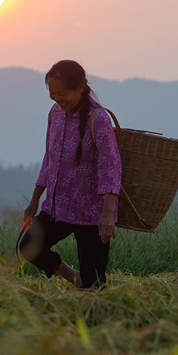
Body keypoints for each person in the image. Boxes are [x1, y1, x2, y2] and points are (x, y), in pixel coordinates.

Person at [18, 60, 122, 289]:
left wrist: (107, 215)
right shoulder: (55, 114)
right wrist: (35, 199)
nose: (57, 99)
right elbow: (50, 157)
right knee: (28, 245)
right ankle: (73, 277)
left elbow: (111, 168)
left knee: (94, 283)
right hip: (58, 207)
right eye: (52, 94)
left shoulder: (99, 119)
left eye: (62, 93)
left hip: (91, 213)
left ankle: (95, 310)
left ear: (80, 88)